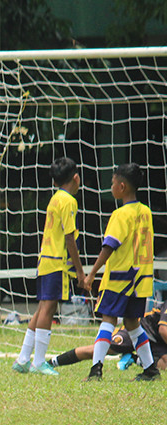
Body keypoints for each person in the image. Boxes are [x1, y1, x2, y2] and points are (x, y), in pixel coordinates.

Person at [82, 163, 159, 381]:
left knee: (108, 319)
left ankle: (96, 369)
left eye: (113, 182)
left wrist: (92, 273)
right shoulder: (146, 212)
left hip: (120, 278)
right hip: (140, 280)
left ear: (122, 186)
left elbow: (110, 246)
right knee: (133, 323)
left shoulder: (120, 214)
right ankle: (151, 369)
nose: (111, 186)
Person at [11, 157, 85, 376]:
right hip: (57, 262)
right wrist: (80, 271)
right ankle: (39, 362)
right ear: (75, 177)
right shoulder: (69, 200)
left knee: (42, 308)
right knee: (49, 308)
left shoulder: (55, 198)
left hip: (44, 259)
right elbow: (69, 238)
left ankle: (24, 359)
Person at [48, 299, 167, 372]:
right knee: (97, 351)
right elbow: (163, 330)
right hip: (141, 328)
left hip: (158, 340)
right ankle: (52, 362)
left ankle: (133, 358)